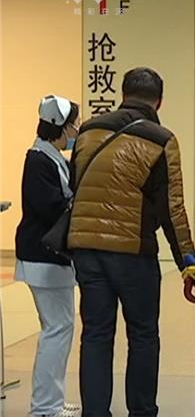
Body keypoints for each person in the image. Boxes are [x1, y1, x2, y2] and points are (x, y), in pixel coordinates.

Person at [67, 67, 195, 417]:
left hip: (86, 250)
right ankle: (141, 411)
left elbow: (75, 185)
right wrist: (188, 260)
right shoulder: (161, 139)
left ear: (123, 94)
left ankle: (95, 412)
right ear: (160, 101)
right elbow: (172, 207)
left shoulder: (88, 130)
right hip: (132, 253)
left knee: (96, 334)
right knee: (142, 335)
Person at [15, 95, 81, 417]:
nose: (76, 130)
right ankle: (45, 407)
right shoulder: (39, 160)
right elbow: (51, 206)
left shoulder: (51, 157)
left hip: (50, 259)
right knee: (57, 328)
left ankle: (52, 400)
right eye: (74, 125)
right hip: (43, 256)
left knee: (59, 327)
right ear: (60, 126)